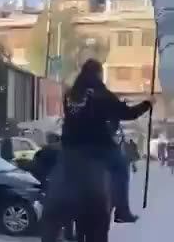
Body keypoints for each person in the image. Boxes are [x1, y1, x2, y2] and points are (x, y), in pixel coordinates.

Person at [62, 59, 152, 223]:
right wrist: (147, 104)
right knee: (121, 167)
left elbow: (76, 116)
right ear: (98, 73)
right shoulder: (101, 93)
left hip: (70, 145)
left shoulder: (70, 94)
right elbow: (127, 114)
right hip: (97, 145)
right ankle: (122, 211)